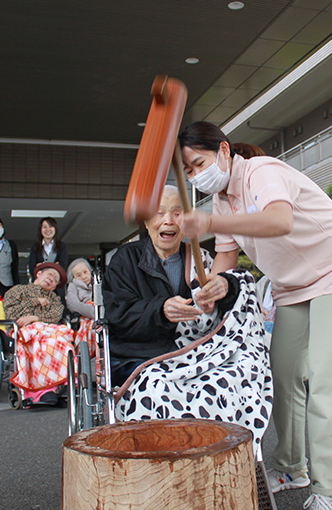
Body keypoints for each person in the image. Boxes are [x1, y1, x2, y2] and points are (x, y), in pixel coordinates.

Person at [178, 121, 332, 510]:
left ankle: (328, 495)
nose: (197, 175)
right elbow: (225, 264)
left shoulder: (262, 171)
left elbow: (278, 220)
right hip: (291, 285)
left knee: (325, 382)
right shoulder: (221, 203)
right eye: (189, 171)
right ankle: (289, 465)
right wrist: (209, 286)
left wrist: (210, 224)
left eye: (199, 163)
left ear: (225, 152)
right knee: (282, 376)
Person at [103, 185, 272, 452]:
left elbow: (222, 310)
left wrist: (225, 288)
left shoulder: (201, 259)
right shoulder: (124, 260)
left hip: (195, 354)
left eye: (178, 213)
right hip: (143, 356)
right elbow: (118, 315)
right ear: (147, 221)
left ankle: (219, 461)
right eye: (159, 213)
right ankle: (168, 462)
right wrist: (161, 311)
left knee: (230, 383)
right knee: (157, 388)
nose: (168, 220)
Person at [3, 261, 72, 406]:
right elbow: (11, 312)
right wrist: (35, 302)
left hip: (46, 329)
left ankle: (61, 384)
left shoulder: (54, 299)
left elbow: (56, 316)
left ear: (54, 287)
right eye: (50, 274)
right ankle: (43, 391)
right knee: (42, 344)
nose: (51, 279)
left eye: (55, 280)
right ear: (39, 273)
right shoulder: (18, 290)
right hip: (25, 330)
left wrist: (35, 318)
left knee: (60, 343)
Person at [27, 217, 68, 290]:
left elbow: (62, 266)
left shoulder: (62, 246)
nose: (48, 229)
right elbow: (32, 267)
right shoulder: (35, 247)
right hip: (39, 286)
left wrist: (42, 265)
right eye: (45, 227)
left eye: (51, 226)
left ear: (55, 229)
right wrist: (54, 265)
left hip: (55, 287)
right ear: (40, 230)